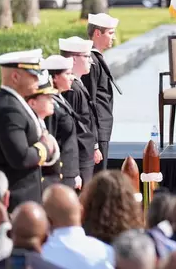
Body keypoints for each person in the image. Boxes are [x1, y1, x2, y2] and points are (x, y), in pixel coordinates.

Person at [0, 49, 59, 210]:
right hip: (15, 202)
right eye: (33, 75)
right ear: (16, 77)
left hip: (22, 200)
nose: (38, 80)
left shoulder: (13, 103)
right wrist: (45, 147)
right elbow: (21, 158)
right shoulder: (9, 109)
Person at [81, 13, 121, 171]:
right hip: (97, 130)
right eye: (110, 33)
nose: (114, 37)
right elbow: (89, 102)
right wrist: (95, 141)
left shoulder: (96, 58)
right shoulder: (90, 62)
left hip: (102, 127)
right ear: (97, 33)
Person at [60, 36, 102, 186]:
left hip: (86, 155)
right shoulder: (72, 90)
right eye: (87, 56)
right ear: (73, 59)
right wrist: (75, 171)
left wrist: (94, 146)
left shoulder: (78, 84)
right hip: (80, 159)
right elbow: (73, 129)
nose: (91, 60)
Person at [41, 55, 82, 190]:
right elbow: (50, 141)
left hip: (68, 172)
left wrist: (74, 173)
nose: (72, 77)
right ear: (54, 78)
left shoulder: (60, 99)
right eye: (68, 74)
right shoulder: (50, 106)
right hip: (60, 174)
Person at [24, 72, 62, 189]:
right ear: (32, 103)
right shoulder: (29, 127)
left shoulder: (40, 123)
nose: (53, 101)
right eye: (48, 97)